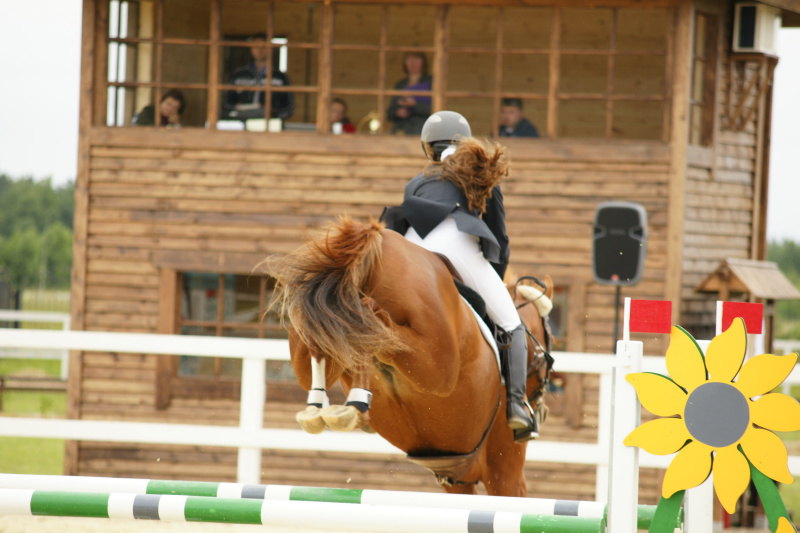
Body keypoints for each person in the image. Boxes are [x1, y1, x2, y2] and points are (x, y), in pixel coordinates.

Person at [381, 110, 538, 441]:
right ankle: (517, 406)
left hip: (413, 251)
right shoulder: (482, 178)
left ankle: (369, 394)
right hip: (459, 245)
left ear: (429, 148)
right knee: (512, 323)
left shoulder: (417, 181)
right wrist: (491, 280)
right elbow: (500, 238)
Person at [222, 37, 294, 122]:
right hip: (240, 121)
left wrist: (276, 118)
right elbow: (227, 102)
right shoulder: (238, 75)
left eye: (264, 47)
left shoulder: (280, 77)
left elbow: (288, 107)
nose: (260, 50)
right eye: (256, 47)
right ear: (251, 49)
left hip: (269, 123)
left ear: (270, 49)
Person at [386, 52, 432, 135]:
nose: (413, 63)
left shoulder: (431, 82)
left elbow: (436, 109)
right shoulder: (400, 85)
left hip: (423, 130)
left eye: (417, 60)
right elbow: (389, 114)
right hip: (401, 130)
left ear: (423, 62)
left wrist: (415, 104)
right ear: (405, 63)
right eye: (409, 60)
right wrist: (398, 113)